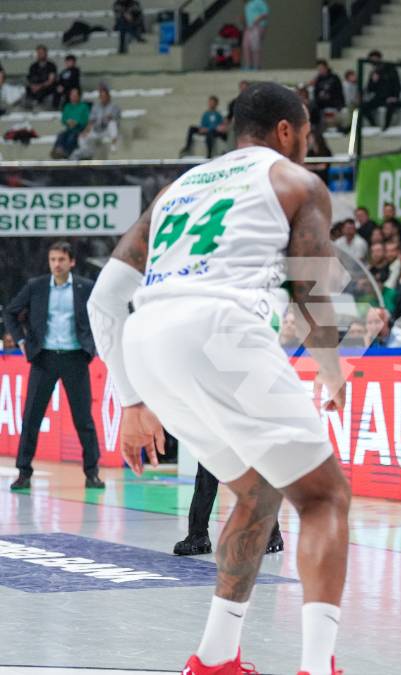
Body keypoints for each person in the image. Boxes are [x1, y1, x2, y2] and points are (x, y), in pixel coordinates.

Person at [85, 82, 350, 675]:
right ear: (286, 131)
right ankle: (316, 666)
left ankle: (214, 658)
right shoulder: (296, 182)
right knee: (324, 496)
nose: (307, 146)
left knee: (257, 490)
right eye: (305, 134)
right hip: (221, 333)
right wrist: (332, 372)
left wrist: (131, 400)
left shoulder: (178, 190)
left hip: (149, 340)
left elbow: (104, 300)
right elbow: (310, 290)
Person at [4, 242, 105, 491]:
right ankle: (23, 472)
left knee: (84, 419)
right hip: (44, 358)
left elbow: (101, 316)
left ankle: (92, 473)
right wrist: (23, 341)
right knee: (31, 418)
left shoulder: (85, 288)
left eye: (61, 259)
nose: (56, 264)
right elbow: (10, 312)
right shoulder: (36, 287)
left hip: (74, 358)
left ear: (71, 262)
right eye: (52, 259)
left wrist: (91, 346)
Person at [242, 0, 269, 70]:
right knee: (246, 46)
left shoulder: (260, 2)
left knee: (255, 46)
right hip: (249, 28)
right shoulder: (248, 4)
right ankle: (248, 66)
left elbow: (265, 14)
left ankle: (256, 66)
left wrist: (256, 20)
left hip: (257, 26)